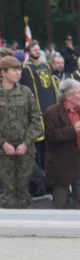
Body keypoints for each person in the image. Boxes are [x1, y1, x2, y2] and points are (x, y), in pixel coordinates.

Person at [0, 56, 42, 208]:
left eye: (19, 69)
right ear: (3, 72)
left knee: (23, 190)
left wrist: (26, 143)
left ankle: (25, 226)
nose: (18, 73)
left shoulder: (26, 92)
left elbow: (35, 120)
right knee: (8, 190)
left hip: (25, 148)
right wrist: (3, 143)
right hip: (2, 150)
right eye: (14, 70)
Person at [20, 40, 58, 167]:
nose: (37, 50)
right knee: (41, 145)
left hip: (50, 106)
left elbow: (53, 86)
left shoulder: (46, 66)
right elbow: (28, 91)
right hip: (38, 110)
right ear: (29, 51)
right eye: (34, 49)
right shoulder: (26, 69)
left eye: (38, 48)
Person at [43, 79, 80, 209]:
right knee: (61, 201)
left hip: (78, 161)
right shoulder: (51, 112)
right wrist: (73, 130)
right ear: (69, 96)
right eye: (79, 93)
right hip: (61, 163)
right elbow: (51, 136)